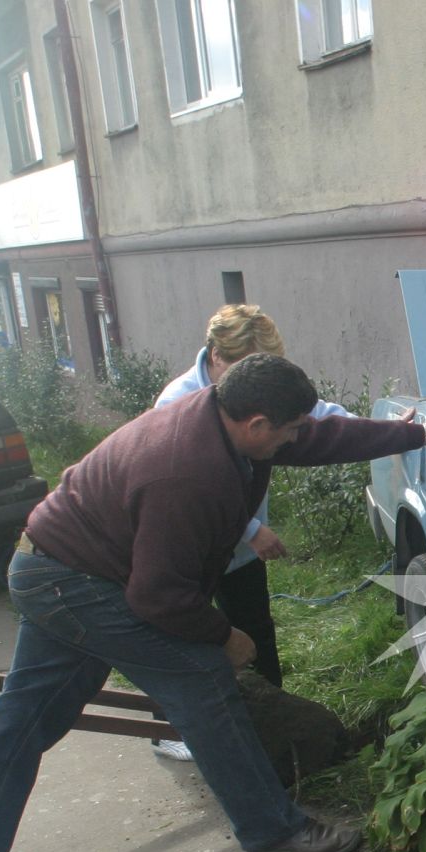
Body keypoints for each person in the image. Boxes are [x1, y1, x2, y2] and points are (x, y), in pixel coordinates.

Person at [0, 354, 426, 852]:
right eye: (289, 428)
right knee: (202, 681)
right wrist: (225, 636)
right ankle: (272, 830)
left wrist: (418, 433)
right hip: (74, 582)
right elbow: (157, 596)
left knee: (25, 715)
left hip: (54, 567)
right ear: (256, 425)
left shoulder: (225, 421)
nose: (297, 436)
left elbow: (317, 439)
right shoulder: (186, 471)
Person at [149, 306, 320, 759]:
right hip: (194, 548)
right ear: (214, 356)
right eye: (243, 366)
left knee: (256, 629)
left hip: (238, 552)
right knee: (184, 635)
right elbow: (190, 492)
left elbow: (322, 419)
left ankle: (271, 724)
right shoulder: (178, 404)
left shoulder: (259, 394)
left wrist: (403, 429)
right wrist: (251, 529)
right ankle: (176, 730)